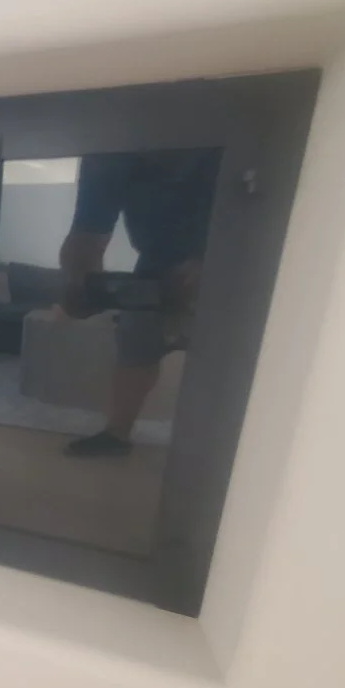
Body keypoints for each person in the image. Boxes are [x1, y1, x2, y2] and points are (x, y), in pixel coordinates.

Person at [58, 148, 221, 457]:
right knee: (135, 340)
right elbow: (86, 236)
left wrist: (211, 260)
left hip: (234, 252)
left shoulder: (219, 150)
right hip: (156, 258)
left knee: (227, 354)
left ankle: (221, 445)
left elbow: (256, 212)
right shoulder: (108, 157)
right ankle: (116, 435)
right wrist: (78, 283)